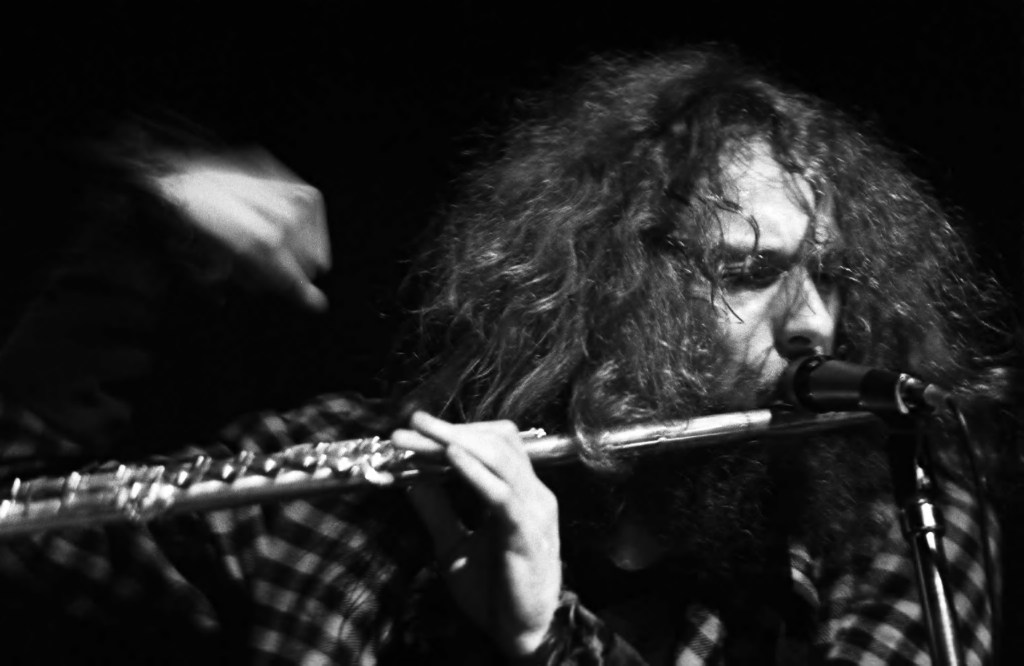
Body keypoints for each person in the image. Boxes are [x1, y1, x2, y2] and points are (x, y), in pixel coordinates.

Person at [0, 46, 1011, 664]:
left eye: (829, 275)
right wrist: (140, 233)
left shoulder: (891, 516)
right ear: (610, 285)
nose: (816, 326)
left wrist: (542, 642)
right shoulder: (338, 500)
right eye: (749, 271)